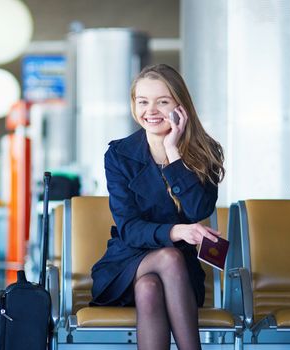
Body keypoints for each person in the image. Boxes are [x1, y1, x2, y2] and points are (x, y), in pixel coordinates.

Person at [91, 64, 225, 350]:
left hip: (181, 278)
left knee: (150, 288)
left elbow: (199, 208)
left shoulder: (206, 151)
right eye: (143, 102)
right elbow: (129, 229)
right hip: (126, 264)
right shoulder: (119, 155)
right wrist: (178, 232)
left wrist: (174, 153)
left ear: (180, 105)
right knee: (167, 259)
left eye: (162, 101)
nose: (150, 110)